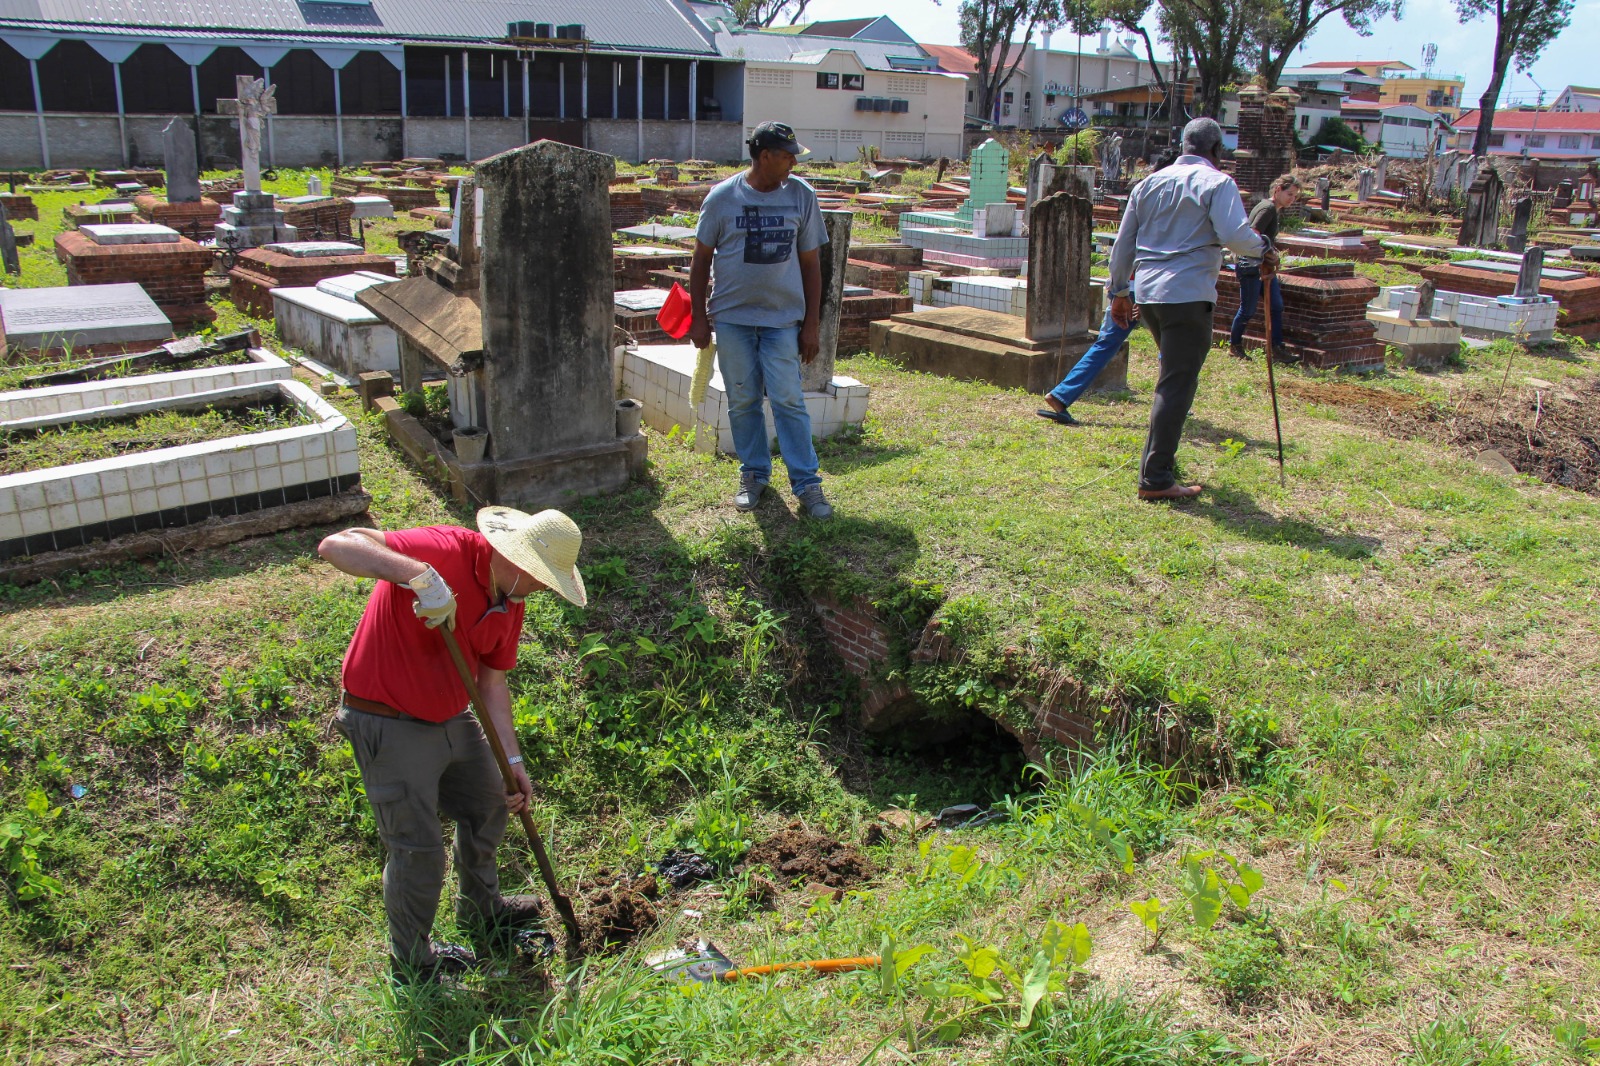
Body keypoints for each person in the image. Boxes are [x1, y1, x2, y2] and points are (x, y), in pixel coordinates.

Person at [318, 507, 589, 983]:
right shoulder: (445, 549)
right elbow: (338, 546)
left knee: (489, 801)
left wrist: (512, 758)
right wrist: (419, 577)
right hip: (388, 717)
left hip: (451, 714)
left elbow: (492, 683)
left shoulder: (511, 600)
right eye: (546, 580)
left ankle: (482, 909)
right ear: (521, 563)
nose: (546, 590)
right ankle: (412, 962)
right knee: (418, 849)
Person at [1106, 117, 1278, 501]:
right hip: (1186, 293)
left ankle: (1156, 463)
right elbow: (1235, 235)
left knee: (1171, 378)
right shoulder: (1218, 182)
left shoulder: (1147, 183)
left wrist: (1118, 291)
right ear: (1217, 151)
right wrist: (1264, 248)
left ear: (1183, 146)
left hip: (1148, 294)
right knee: (1176, 384)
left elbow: (1123, 244)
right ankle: (1155, 477)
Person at [689, 121, 833, 520]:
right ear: (764, 156)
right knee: (743, 399)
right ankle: (753, 473)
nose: (792, 163)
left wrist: (811, 325)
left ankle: (807, 483)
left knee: (788, 398)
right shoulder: (722, 198)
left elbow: (811, 265)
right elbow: (700, 260)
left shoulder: (801, 196)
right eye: (787, 156)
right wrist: (698, 318)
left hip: (782, 320)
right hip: (733, 318)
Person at [1229, 175, 1299, 359]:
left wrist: (1271, 254)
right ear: (1277, 190)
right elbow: (1253, 234)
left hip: (1264, 266)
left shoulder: (1274, 209)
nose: (1292, 199)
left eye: (1295, 196)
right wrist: (1268, 253)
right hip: (1250, 265)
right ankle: (1234, 346)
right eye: (1289, 194)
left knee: (1276, 306)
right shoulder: (1267, 208)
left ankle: (1276, 347)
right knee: (1247, 310)